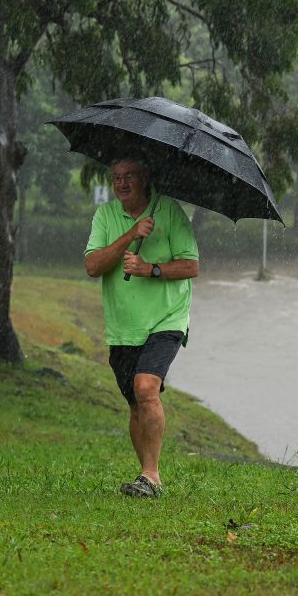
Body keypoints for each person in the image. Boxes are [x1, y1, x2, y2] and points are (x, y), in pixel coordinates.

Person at [84, 157, 199, 498]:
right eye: (116, 177)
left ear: (145, 177)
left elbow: (191, 266)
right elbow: (93, 265)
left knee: (146, 387)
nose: (121, 184)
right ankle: (146, 477)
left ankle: (151, 475)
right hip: (123, 326)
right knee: (136, 402)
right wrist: (131, 235)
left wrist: (152, 269)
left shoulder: (170, 212)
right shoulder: (105, 216)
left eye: (129, 177)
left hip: (167, 318)